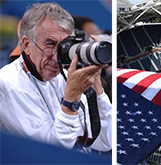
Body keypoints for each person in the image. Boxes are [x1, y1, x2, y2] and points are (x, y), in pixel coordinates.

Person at [0, 2, 112, 152]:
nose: (56, 56)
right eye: (50, 44)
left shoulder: (65, 76)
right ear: (26, 44)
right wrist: (71, 101)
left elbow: (106, 140)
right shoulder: (7, 85)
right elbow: (53, 153)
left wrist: (97, 89)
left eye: (63, 46)